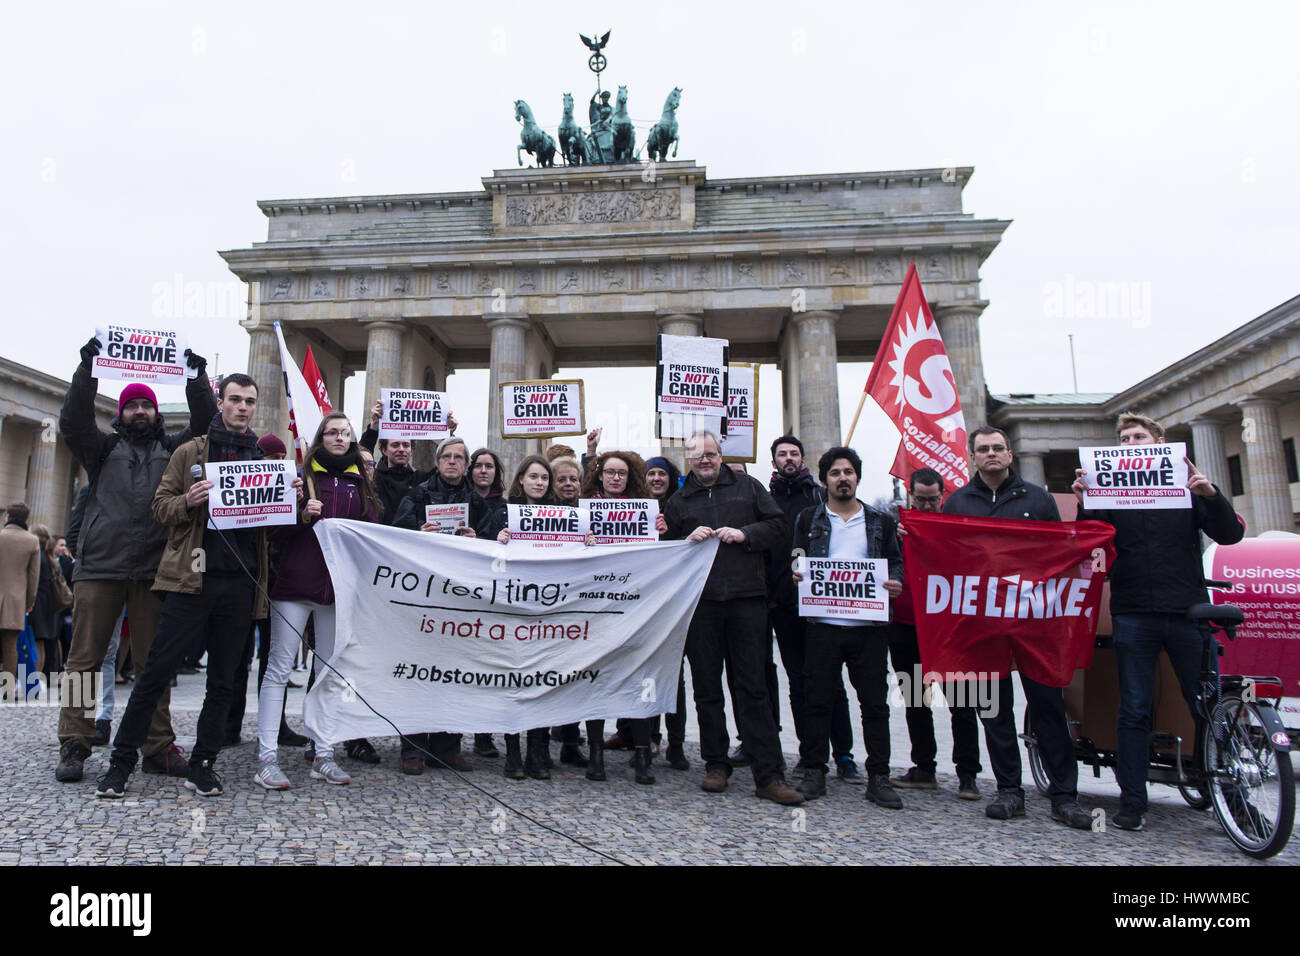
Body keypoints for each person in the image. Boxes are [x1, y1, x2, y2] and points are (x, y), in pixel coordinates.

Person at [95, 374, 287, 799]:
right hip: (191, 578)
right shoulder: (189, 452)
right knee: (155, 674)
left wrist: (288, 501)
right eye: (234, 399)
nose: (242, 407)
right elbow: (160, 507)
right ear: (220, 402)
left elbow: (270, 528)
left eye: (249, 401)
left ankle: (203, 762)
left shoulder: (263, 458)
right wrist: (189, 501)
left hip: (239, 583)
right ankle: (121, 764)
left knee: (222, 681)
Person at [1072, 411, 1244, 832]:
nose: (1131, 444)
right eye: (1125, 439)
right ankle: (1133, 802)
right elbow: (1090, 545)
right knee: (1134, 710)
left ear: (1159, 441)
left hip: (1188, 612)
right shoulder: (1109, 492)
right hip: (1133, 613)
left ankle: (1230, 797)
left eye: (1139, 437)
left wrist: (1209, 493)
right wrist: (1085, 501)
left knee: (1207, 705)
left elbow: (1229, 535)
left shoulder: (1186, 490)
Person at [55, 337, 216, 783]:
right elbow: (72, 421)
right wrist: (88, 367)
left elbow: (206, 424)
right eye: (132, 406)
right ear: (120, 414)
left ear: (156, 414)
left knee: (153, 662)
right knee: (83, 661)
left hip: (154, 569)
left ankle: (157, 746)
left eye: (146, 405)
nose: (140, 412)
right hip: (100, 569)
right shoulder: (100, 450)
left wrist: (195, 378)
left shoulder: (174, 451)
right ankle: (74, 742)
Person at [941, 426, 1093, 829]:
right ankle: (1009, 790)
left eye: (997, 448)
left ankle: (1064, 796)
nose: (991, 454)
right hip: (983, 624)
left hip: (1034, 622)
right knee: (995, 711)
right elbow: (946, 560)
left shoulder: (1038, 499)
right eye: (982, 449)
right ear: (972, 457)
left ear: (1009, 455)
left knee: (1048, 707)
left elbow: (1060, 553)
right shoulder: (956, 502)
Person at [663, 431, 805, 806]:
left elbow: (777, 526)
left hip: (746, 600)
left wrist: (745, 534)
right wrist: (682, 539)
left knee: (753, 688)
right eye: (697, 455)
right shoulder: (679, 500)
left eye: (710, 454)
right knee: (707, 688)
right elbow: (666, 554)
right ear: (689, 460)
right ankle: (716, 764)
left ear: (721, 455)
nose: (704, 460)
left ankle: (768, 774)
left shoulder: (750, 486)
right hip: (703, 605)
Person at [255, 412, 380, 789]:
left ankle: (323, 753)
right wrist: (299, 515)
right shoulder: (301, 478)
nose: (339, 437)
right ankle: (266, 757)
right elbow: (271, 530)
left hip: (335, 592)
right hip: (296, 585)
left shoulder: (363, 485)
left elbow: (372, 533)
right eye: (332, 432)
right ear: (320, 438)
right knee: (278, 668)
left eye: (345, 432)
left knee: (328, 672)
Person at [789, 447, 905, 807]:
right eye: (836, 473)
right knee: (817, 701)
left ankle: (879, 777)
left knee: (874, 705)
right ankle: (814, 771)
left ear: (857, 477)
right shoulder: (808, 519)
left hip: (867, 627)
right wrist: (797, 574)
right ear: (824, 480)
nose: (843, 478)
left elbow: (896, 563)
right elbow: (797, 555)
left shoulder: (880, 521)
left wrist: (895, 583)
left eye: (849, 472)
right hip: (823, 624)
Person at [391, 436, 493, 773]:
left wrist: (477, 540)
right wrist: (419, 531)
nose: (452, 462)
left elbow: (493, 541)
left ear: (466, 464)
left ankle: (448, 745)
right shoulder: (417, 494)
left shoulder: (476, 502)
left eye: (458, 457)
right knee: (419, 670)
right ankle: (413, 748)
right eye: (446, 456)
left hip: (461, 597)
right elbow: (396, 533)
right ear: (437, 462)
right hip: (424, 594)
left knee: (456, 672)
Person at [765, 434, 860, 784]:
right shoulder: (767, 497)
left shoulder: (823, 496)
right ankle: (809, 754)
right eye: (782, 454)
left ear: (803, 459)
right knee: (798, 683)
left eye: (794, 453)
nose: (788, 458)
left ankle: (845, 754)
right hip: (785, 604)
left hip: (824, 604)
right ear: (773, 460)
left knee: (830, 681)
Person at [888, 468, 982, 799]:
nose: (927, 506)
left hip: (948, 628)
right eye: (921, 499)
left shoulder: (956, 527)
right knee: (915, 700)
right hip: (906, 624)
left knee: (962, 701)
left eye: (933, 499)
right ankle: (924, 767)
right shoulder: (895, 527)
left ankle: (968, 773)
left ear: (943, 495)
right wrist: (897, 538)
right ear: (909, 494)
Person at [224, 433, 311, 750]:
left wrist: (298, 504)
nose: (277, 465)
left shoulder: (289, 489)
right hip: (246, 579)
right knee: (237, 655)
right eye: (271, 459)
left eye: (281, 459)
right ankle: (229, 724)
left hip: (273, 580)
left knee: (274, 659)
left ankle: (276, 724)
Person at [579, 450, 659, 785]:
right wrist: (582, 541)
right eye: (610, 472)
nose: (615, 478)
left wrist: (661, 533)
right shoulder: (582, 512)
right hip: (596, 606)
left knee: (637, 680)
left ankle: (642, 752)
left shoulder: (646, 511)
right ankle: (595, 752)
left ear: (630, 478)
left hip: (633, 607)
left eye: (622, 474)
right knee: (595, 679)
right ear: (599, 475)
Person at [488, 455, 564, 780]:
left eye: (544, 478)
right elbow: (486, 557)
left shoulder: (564, 516)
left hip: (548, 609)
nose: (539, 483)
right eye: (533, 477)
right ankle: (513, 751)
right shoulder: (503, 513)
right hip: (514, 606)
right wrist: (498, 540)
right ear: (521, 480)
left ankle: (538, 751)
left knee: (543, 679)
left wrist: (587, 543)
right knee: (514, 678)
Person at [0, 503, 40, 702]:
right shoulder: (32, 541)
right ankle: (8, 689)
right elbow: (33, 578)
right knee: (10, 647)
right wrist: (29, 601)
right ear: (26, 518)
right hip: (16, 601)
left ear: (7, 516)